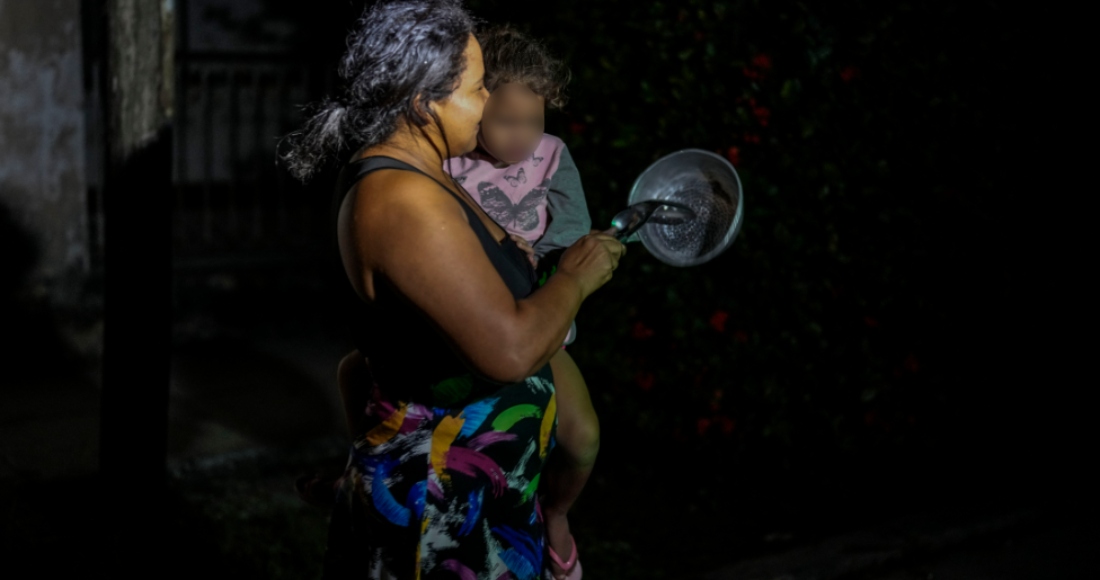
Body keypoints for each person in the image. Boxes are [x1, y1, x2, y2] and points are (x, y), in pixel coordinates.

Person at [280, 2, 624, 579]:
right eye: (477, 87)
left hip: (481, 493)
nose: (489, 101)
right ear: (424, 102)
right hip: (443, 507)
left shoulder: (426, 173)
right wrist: (574, 278)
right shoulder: (403, 200)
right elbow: (509, 351)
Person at [445, 24, 599, 580]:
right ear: (477, 107)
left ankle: (556, 515)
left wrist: (551, 262)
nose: (521, 137)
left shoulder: (553, 157)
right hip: (474, 325)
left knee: (582, 438)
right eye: (507, 121)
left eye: (533, 121)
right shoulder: (453, 161)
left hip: (538, 325)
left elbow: (573, 233)